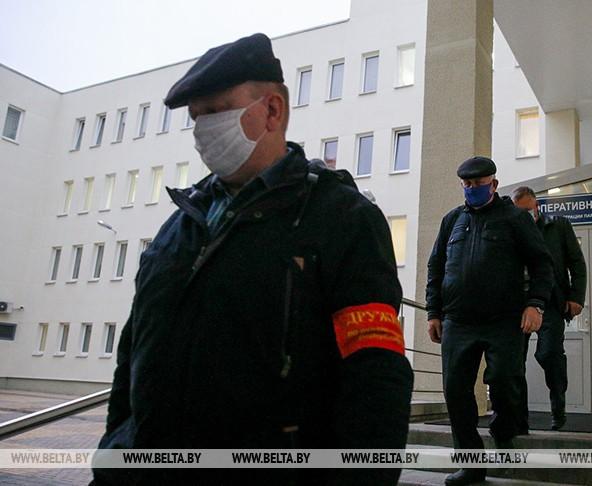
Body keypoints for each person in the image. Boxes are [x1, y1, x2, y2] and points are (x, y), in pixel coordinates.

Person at [91, 33, 412, 486]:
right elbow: (132, 358)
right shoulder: (177, 228)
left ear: (272, 110)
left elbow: (375, 375)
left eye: (216, 111)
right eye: (196, 117)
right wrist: (113, 460)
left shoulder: (342, 219)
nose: (202, 130)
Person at [426, 157, 554, 486]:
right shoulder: (452, 220)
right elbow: (436, 267)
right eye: (467, 185)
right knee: (456, 392)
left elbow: (541, 265)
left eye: (478, 184)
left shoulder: (515, 219)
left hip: (504, 320)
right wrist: (433, 312)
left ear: (493, 185)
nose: (471, 189)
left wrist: (535, 305)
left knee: (505, 382)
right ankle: (471, 464)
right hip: (458, 321)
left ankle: (503, 429)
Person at [511, 186, 587, 432]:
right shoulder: (510, 229)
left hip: (550, 303)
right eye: (519, 212)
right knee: (514, 363)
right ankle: (519, 418)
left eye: (528, 210)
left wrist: (576, 297)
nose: (524, 216)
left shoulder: (558, 226)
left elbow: (577, 263)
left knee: (549, 354)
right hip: (517, 305)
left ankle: (558, 408)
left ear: (537, 207)